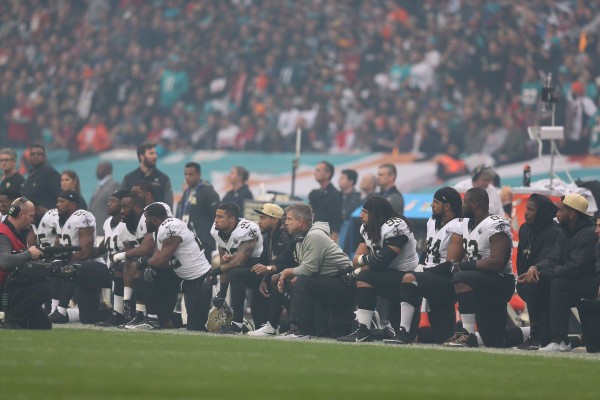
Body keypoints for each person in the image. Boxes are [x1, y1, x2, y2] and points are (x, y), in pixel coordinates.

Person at [519, 193, 598, 352]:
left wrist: (547, 273)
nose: (556, 214)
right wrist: (537, 268)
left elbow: (575, 266)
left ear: (572, 214)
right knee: (538, 282)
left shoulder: (588, 234)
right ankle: (541, 337)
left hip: (589, 284)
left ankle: (561, 340)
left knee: (558, 284)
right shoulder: (564, 231)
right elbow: (553, 258)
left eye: (560, 211)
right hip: (571, 279)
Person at [337, 196, 419, 342]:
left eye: (365, 212)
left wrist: (361, 267)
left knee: (363, 275)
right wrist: (365, 262)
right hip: (388, 276)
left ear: (377, 213)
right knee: (363, 276)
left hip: (407, 279)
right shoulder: (366, 227)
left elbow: (382, 261)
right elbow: (356, 260)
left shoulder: (396, 225)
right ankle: (363, 330)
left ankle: (399, 331)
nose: (361, 215)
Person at [389, 187, 465, 345]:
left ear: (447, 206)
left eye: (436, 202)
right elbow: (426, 248)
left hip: (445, 278)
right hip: (429, 276)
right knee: (443, 338)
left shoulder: (459, 225)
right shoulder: (432, 221)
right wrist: (420, 265)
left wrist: (423, 270)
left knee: (410, 279)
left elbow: (451, 264)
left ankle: (404, 333)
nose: (431, 205)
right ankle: (403, 330)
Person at [444, 187, 515, 348]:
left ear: (474, 204)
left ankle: (468, 334)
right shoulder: (468, 224)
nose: (462, 206)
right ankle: (531, 333)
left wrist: (464, 266)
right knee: (495, 341)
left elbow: (497, 263)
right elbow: (465, 256)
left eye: (465, 202)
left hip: (501, 281)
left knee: (461, 278)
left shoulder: (495, 224)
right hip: (481, 282)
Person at [278, 203, 354, 339]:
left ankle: (298, 328)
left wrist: (285, 272)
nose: (286, 223)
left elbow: (308, 269)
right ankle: (304, 330)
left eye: (289, 219)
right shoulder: (301, 238)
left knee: (303, 280)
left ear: (300, 221)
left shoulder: (315, 236)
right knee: (297, 282)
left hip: (345, 283)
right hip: (331, 281)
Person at [140, 203, 212, 331]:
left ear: (154, 219)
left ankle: (165, 320)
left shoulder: (169, 227)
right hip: (184, 279)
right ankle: (156, 319)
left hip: (199, 280)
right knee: (149, 274)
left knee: (195, 328)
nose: (145, 223)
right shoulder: (163, 228)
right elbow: (157, 256)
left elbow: (160, 261)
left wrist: (143, 260)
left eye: (146, 219)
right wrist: (147, 263)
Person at [48, 190, 108, 324]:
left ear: (73, 204)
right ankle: (53, 310)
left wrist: (65, 257)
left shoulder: (82, 217)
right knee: (55, 264)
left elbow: (84, 253)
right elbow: (57, 249)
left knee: (69, 267)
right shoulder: (60, 219)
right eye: (58, 201)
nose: (58, 204)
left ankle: (61, 311)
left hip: (92, 266)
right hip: (75, 264)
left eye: (62, 202)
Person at [514, 194, 562, 350]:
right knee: (527, 283)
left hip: (548, 279)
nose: (526, 212)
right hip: (528, 279)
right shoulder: (524, 229)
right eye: (526, 208)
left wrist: (530, 274)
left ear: (541, 212)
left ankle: (534, 337)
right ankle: (534, 334)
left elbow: (548, 259)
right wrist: (521, 275)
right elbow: (521, 257)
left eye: (531, 210)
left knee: (532, 283)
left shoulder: (555, 231)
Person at [209, 202, 263, 334]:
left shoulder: (247, 229)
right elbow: (224, 263)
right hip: (245, 272)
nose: (216, 220)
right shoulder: (217, 231)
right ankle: (237, 324)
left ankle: (238, 324)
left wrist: (213, 272)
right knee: (234, 273)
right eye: (216, 216)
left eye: (220, 217)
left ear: (232, 219)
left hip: (262, 272)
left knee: (261, 319)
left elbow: (240, 261)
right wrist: (222, 293)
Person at [246, 203, 296, 336]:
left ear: (274, 220)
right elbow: (264, 261)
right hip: (276, 274)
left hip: (291, 275)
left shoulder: (286, 237)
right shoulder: (268, 237)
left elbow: (287, 262)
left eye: (263, 218)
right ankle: (248, 324)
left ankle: (275, 326)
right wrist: (263, 279)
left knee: (275, 278)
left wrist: (268, 270)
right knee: (243, 275)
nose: (259, 222)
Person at [0, 197, 47, 329]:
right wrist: (28, 254)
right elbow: (5, 262)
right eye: (31, 216)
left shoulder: (15, 232)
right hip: (5, 287)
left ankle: (13, 317)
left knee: (43, 324)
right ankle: (10, 320)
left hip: (10, 285)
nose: (32, 220)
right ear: (21, 214)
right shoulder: (3, 234)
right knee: (44, 288)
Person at [93, 190, 130, 327]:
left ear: (122, 204)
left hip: (125, 269)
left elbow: (131, 249)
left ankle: (118, 314)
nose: (108, 204)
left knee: (119, 268)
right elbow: (103, 247)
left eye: (113, 201)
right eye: (108, 201)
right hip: (109, 267)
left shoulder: (127, 222)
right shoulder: (108, 222)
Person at [176, 162, 220, 260]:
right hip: (187, 242)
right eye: (185, 174)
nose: (187, 177)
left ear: (199, 174)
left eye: (190, 174)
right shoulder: (187, 193)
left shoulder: (207, 192)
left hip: (203, 241)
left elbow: (217, 216)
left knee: (202, 273)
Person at [121, 142, 173, 207]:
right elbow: (122, 204)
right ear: (141, 156)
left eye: (156, 153)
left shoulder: (163, 179)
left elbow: (169, 206)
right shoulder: (129, 179)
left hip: (156, 216)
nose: (155, 156)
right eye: (151, 153)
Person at [21, 144, 61, 218]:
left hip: (45, 219)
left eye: (39, 154)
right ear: (29, 157)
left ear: (44, 157)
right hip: (29, 220)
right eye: (33, 154)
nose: (36, 156)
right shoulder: (30, 175)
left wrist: (49, 212)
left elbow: (60, 197)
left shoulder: (51, 173)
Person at [308, 161, 343, 242]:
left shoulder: (334, 194)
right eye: (315, 170)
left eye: (319, 170)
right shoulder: (314, 194)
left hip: (327, 237)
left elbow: (337, 218)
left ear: (328, 174)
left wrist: (333, 238)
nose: (315, 173)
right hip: (315, 234)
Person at [88, 161, 120, 236]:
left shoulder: (113, 185)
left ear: (108, 170)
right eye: (97, 167)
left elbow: (114, 209)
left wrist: (109, 229)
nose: (97, 170)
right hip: (95, 230)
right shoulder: (99, 186)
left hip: (104, 231)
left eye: (100, 167)